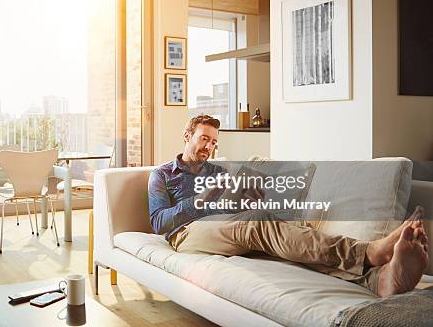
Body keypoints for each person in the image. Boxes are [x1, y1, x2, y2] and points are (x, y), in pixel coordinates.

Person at [148, 114, 429, 297]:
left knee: (288, 235)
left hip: (229, 224)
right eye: (203, 139)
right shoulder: (162, 174)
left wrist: (249, 194)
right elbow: (159, 222)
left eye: (213, 142)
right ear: (187, 136)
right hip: (187, 233)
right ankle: (369, 251)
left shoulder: (219, 172)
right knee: (258, 224)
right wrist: (200, 199)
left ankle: (379, 279)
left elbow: (237, 208)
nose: (208, 147)